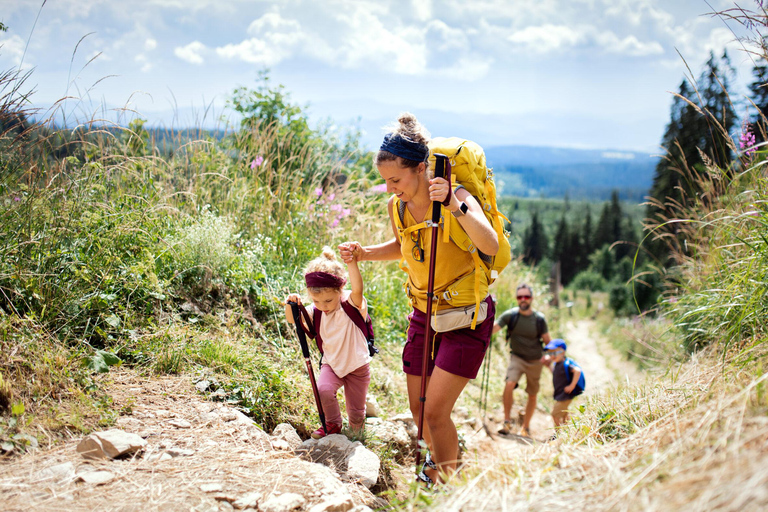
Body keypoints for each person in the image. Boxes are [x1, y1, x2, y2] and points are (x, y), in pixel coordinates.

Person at [339, 112, 499, 486]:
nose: (391, 188)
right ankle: (444, 466)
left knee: (437, 412)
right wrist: (365, 253)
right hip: (423, 314)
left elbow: (489, 243)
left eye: (396, 179)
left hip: (465, 317)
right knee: (419, 409)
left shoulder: (456, 196)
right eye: (386, 181)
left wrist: (457, 207)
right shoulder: (398, 206)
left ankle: (448, 486)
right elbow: (404, 245)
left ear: (421, 168)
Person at [284, 245, 371, 439]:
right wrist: (291, 304)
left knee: (356, 411)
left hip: (357, 365)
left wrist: (352, 263)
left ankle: (357, 433)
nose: (323, 307)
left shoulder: (351, 303)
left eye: (329, 301)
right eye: (316, 301)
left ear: (341, 290)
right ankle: (333, 425)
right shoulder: (316, 311)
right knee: (323, 389)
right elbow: (292, 319)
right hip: (331, 363)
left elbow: (358, 288)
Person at [492, 284, 551, 437]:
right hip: (517, 358)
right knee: (509, 383)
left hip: (535, 361)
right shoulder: (510, 316)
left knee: (532, 394)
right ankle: (506, 422)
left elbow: (548, 342)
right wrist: (488, 312)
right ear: (516, 299)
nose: (523, 300)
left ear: (531, 298)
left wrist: (549, 356)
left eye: (526, 297)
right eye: (520, 297)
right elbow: (493, 328)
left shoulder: (539, 319)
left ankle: (526, 427)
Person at [542, 338, 584, 430]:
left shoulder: (566, 364)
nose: (552, 356)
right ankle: (568, 430)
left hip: (566, 394)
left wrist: (571, 386)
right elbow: (556, 374)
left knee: (555, 414)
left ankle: (559, 432)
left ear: (563, 352)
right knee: (564, 414)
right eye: (550, 353)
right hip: (561, 394)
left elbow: (577, 371)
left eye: (555, 353)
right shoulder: (558, 364)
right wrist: (549, 366)